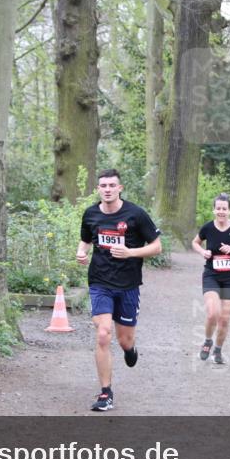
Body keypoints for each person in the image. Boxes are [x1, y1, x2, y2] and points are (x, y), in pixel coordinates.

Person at [76, 169, 162, 411]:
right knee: (103, 333)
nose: (107, 189)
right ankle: (106, 393)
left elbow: (157, 247)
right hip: (100, 282)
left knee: (124, 340)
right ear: (98, 189)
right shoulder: (91, 214)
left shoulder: (136, 214)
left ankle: (130, 349)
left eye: (112, 185)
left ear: (120, 188)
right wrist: (81, 252)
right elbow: (85, 239)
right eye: (103, 185)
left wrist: (131, 253)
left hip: (128, 285)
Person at [191, 193, 230, 365]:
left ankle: (218, 350)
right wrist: (203, 252)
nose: (221, 211)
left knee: (224, 318)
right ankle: (208, 341)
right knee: (212, 314)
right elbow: (195, 243)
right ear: (214, 210)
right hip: (211, 275)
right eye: (218, 208)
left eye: (224, 209)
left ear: (229, 211)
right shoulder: (208, 227)